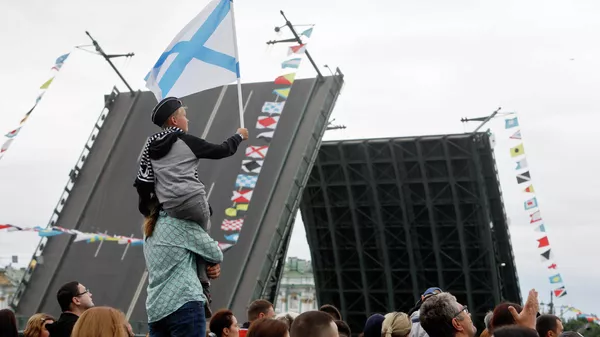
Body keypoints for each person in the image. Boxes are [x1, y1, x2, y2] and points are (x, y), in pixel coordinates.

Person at [134, 96, 248, 317]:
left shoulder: (152, 147)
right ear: (175, 121)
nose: (188, 120)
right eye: (184, 116)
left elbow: (144, 182)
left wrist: (148, 210)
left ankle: (203, 277)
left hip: (170, 207)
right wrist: (239, 136)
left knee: (191, 240)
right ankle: (204, 283)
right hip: (194, 202)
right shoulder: (184, 141)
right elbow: (221, 150)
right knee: (204, 243)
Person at [143, 212, 223, 337]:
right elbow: (215, 253)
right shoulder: (181, 224)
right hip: (184, 303)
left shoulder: (149, 227)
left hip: (156, 310)